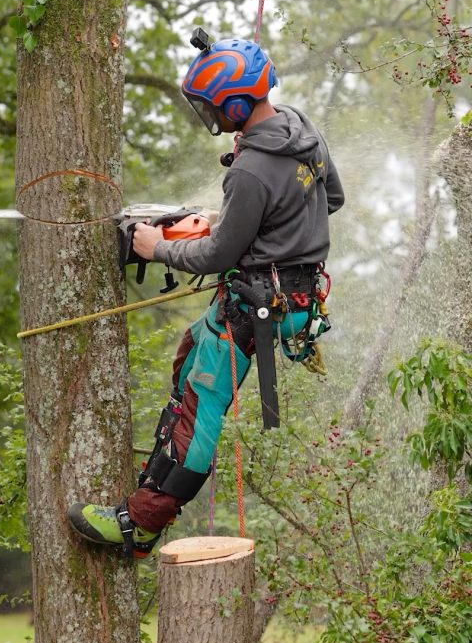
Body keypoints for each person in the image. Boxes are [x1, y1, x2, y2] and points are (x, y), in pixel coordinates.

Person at [68, 32, 344, 558]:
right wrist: (240, 228)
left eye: (215, 108)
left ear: (236, 102)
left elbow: (218, 258)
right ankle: (157, 475)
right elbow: (331, 198)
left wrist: (156, 248)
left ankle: (142, 522)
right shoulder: (304, 133)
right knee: (190, 356)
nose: (212, 117)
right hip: (296, 297)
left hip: (260, 305)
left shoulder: (250, 169)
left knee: (201, 406)